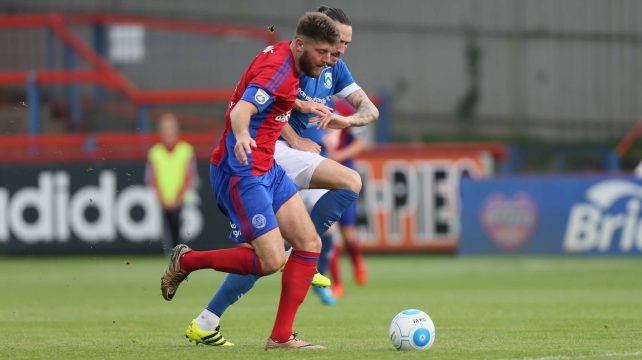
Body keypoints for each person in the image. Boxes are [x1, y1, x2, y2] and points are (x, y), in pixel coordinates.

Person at [184, 5, 380, 345]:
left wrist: (346, 121)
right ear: (312, 38)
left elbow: (370, 109)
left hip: (288, 157)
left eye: (345, 44)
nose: (339, 51)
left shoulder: (333, 67)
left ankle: (208, 319)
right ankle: (292, 258)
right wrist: (295, 137)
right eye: (335, 44)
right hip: (273, 152)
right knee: (281, 247)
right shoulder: (295, 61)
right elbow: (267, 104)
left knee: (272, 252)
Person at [160, 12, 340, 350]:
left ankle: (281, 338)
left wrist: (297, 103)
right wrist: (242, 135)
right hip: (242, 172)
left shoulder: (284, 57)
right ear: (300, 44)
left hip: (266, 168)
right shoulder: (279, 69)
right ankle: (186, 261)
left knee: (309, 243)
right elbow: (241, 110)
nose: (328, 61)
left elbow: (268, 97)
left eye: (333, 55)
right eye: (322, 53)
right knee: (270, 261)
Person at [322, 100, 370, 297]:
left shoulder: (344, 109)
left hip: (344, 174)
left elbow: (361, 142)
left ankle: (357, 261)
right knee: (328, 229)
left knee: (348, 230)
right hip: (319, 173)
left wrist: (339, 155)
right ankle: (337, 283)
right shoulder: (305, 104)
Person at [145, 113, 197, 255]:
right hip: (163, 200)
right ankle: (171, 256)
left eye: (170, 128)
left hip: (181, 200)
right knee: (167, 231)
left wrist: (178, 198)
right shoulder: (155, 152)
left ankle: (180, 255)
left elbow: (190, 177)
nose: (168, 132)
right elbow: (152, 179)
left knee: (180, 228)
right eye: (165, 128)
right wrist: (161, 198)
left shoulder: (186, 150)